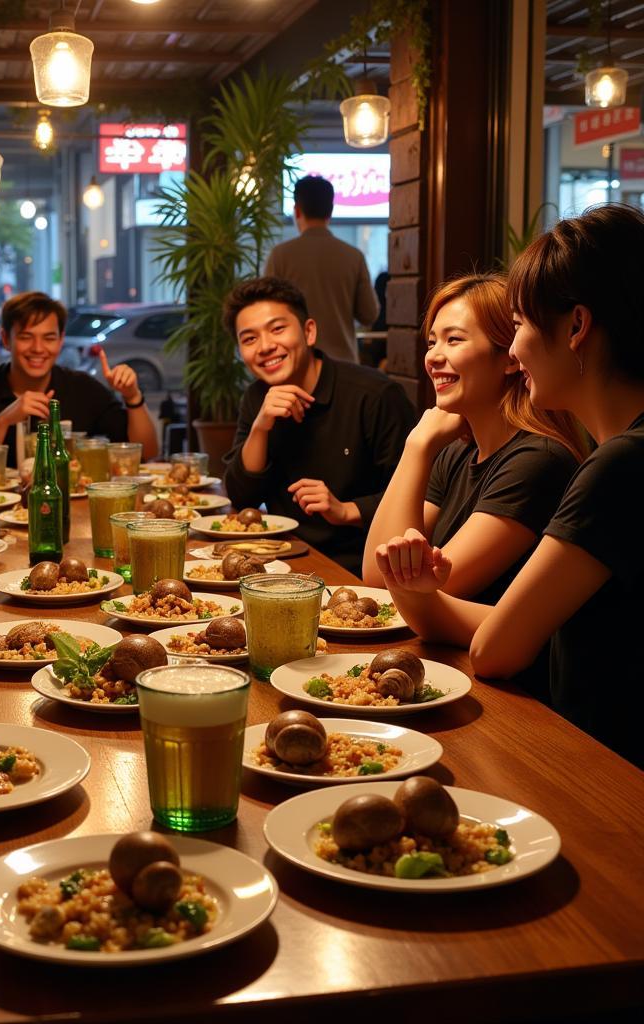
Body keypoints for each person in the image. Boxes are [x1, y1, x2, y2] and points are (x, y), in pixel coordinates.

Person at [373, 204, 644, 767]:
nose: (518, 352)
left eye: (519, 325)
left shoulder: (615, 467)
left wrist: (421, 593)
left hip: (600, 768)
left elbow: (496, 649)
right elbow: (519, 628)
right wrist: (420, 591)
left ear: (576, 328)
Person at [362, 273, 585, 607]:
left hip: (483, 658)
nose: (433, 357)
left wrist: (418, 447)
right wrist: (417, 448)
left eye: (454, 340)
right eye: (432, 342)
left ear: (510, 357)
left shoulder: (539, 460)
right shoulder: (458, 452)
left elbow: (427, 591)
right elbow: (377, 576)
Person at [222, 276, 415, 575]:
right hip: (281, 563)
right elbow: (241, 498)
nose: (265, 346)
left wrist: (345, 509)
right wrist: (261, 426)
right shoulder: (256, 396)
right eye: (249, 339)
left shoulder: (374, 396)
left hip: (361, 569)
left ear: (309, 332)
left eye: (277, 329)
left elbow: (419, 497)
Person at [0, 291, 159, 463]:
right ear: (6, 339)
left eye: (49, 338)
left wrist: (132, 396)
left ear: (60, 341)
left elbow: (146, 452)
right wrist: (4, 420)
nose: (38, 348)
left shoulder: (81, 388)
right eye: (26, 337)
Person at [264, 175, 380, 364]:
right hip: (344, 366)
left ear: (297, 210)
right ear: (331, 211)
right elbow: (369, 314)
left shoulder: (280, 256)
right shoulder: (353, 256)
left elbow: (267, 315)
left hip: (295, 364)